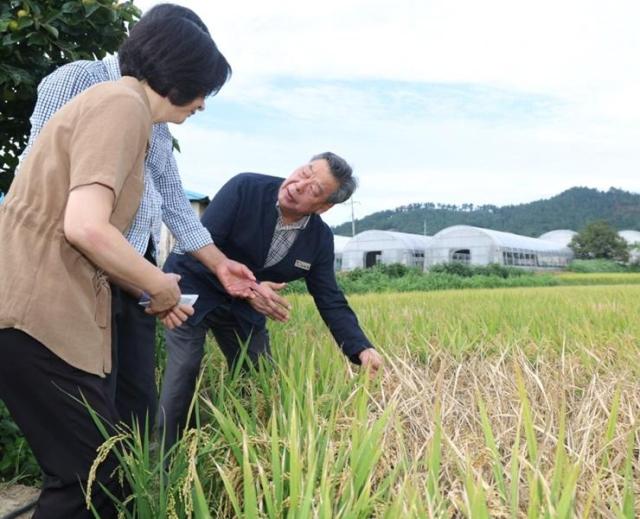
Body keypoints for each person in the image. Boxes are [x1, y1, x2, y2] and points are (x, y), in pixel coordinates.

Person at [0, 11, 228, 519]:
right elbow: (85, 226)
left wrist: (150, 282)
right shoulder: (120, 104)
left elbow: (148, 208)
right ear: (180, 74)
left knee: (97, 463)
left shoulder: (129, 114)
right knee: (90, 474)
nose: (202, 104)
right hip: (38, 311)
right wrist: (158, 285)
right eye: (202, 90)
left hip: (48, 309)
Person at [21, 4, 259, 429]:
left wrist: (220, 264)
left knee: (136, 405)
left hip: (132, 271)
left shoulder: (158, 118)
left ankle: (130, 489)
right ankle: (89, 484)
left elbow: (173, 201)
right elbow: (40, 170)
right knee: (88, 408)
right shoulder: (81, 79)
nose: (200, 100)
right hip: (78, 265)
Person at [158, 152, 384, 448]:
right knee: (184, 367)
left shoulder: (319, 240)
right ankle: (162, 451)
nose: (299, 185)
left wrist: (360, 347)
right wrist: (253, 288)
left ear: (324, 207)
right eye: (305, 172)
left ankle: (245, 445)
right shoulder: (245, 188)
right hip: (193, 285)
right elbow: (201, 244)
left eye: (314, 189)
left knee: (259, 375)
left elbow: (329, 297)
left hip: (242, 308)